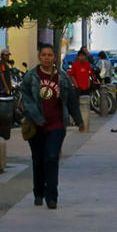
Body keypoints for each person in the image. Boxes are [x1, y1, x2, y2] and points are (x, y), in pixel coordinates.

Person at [17, 43, 84, 209]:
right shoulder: (31, 76)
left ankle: (52, 196)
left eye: (50, 55)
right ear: (39, 57)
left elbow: (71, 100)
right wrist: (36, 116)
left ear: (54, 57)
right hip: (36, 125)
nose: (47, 58)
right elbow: (26, 99)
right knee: (38, 160)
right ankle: (38, 192)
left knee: (52, 158)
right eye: (44, 55)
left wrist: (79, 120)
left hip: (56, 124)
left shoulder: (62, 77)